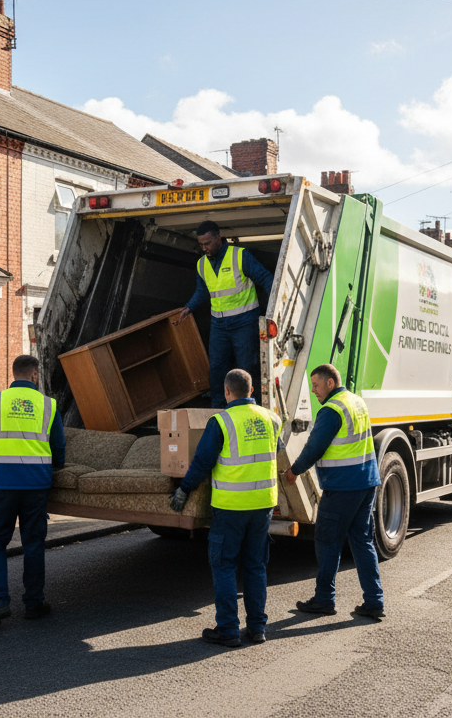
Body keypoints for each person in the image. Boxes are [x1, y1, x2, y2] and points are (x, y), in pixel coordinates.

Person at [169, 369, 282, 647]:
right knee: (256, 566)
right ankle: (257, 628)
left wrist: (184, 489)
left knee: (223, 565)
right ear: (252, 390)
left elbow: (202, 462)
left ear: (227, 392)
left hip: (231, 507)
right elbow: (276, 451)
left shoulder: (220, 421)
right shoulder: (272, 419)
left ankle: (229, 629)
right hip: (263, 505)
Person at [0, 354, 66, 628]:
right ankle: (34, 604)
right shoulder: (48, 405)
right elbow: (59, 447)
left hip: (1, 485)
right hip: (36, 485)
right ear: (34, 375)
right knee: (33, 543)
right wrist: (56, 467)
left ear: (14, 374)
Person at [285, 364, 385, 619]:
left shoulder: (330, 410)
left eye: (316, 385)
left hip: (342, 487)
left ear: (330, 383)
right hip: (366, 482)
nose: (314, 391)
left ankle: (324, 599)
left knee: (328, 541)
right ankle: (375, 601)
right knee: (362, 541)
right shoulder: (356, 401)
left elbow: (314, 448)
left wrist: (294, 471)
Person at [174, 221, 274, 408]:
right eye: (201, 244)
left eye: (208, 243)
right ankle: (218, 409)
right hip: (219, 325)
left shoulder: (239, 255)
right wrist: (188, 308)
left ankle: (250, 407)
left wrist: (275, 308)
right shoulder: (201, 264)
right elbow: (202, 291)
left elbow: (266, 278)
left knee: (247, 369)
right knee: (216, 370)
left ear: (218, 238)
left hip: (244, 322)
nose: (204, 248)